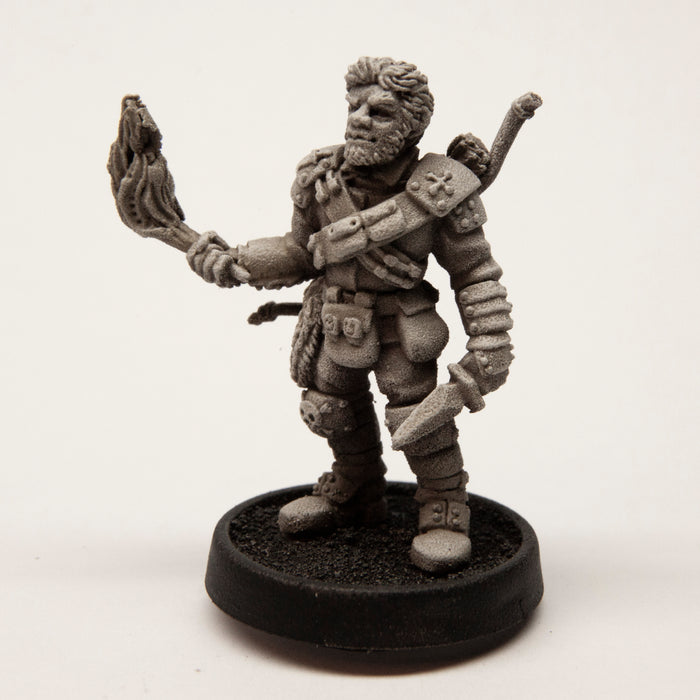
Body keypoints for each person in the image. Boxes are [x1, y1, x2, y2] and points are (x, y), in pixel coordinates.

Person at [186, 57, 514, 573]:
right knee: (330, 406)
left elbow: (474, 272)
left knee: (417, 416)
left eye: (379, 112)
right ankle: (356, 486)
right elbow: (300, 252)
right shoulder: (321, 178)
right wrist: (237, 259)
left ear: (412, 125)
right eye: (354, 106)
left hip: (403, 327)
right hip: (339, 320)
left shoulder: (440, 188)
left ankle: (444, 504)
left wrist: (490, 337)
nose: (359, 119)